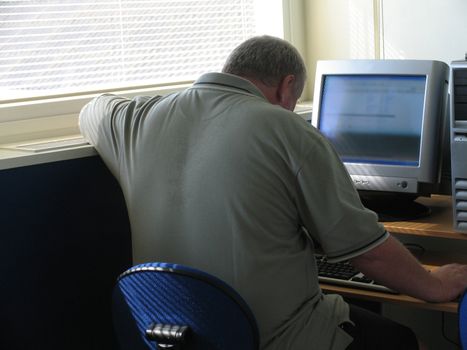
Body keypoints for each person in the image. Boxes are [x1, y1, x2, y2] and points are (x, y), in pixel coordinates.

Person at [79, 35, 467, 349]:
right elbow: (369, 256)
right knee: (401, 339)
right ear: (287, 87)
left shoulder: (138, 120)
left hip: (169, 331)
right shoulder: (290, 131)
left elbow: (92, 109)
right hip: (273, 337)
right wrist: (434, 283)